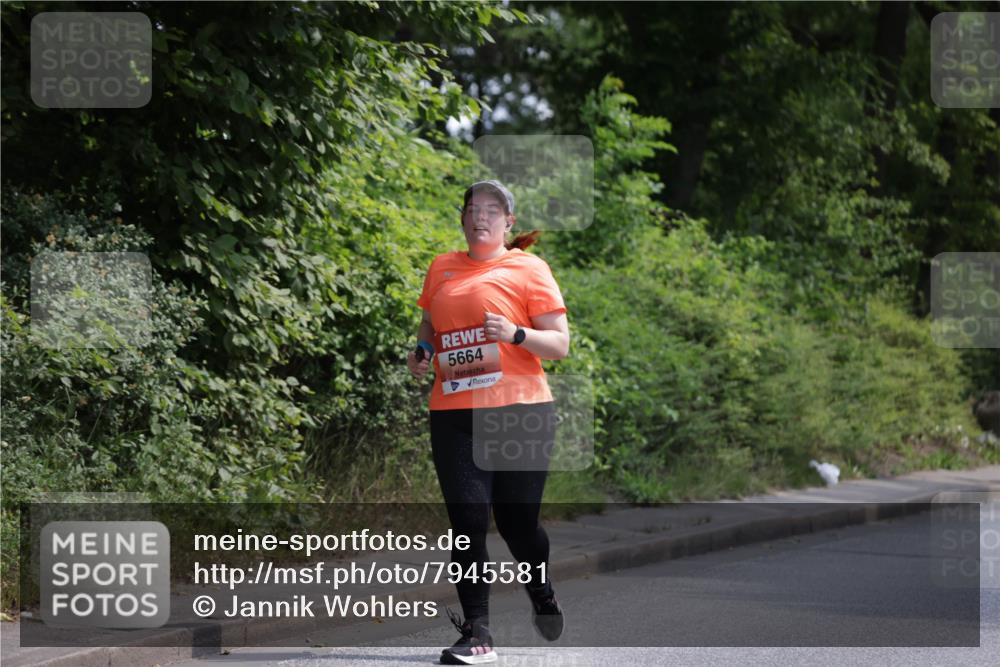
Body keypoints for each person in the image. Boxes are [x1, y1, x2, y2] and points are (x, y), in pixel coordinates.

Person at [407, 180, 570, 665]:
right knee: (467, 523)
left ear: (508, 222)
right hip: (455, 413)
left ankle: (540, 589)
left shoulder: (528, 268)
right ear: (463, 218)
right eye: (473, 209)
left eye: (492, 210)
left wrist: (516, 332)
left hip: (520, 412)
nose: (481, 217)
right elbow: (429, 326)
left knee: (518, 524)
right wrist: (422, 354)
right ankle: (477, 632)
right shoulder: (442, 266)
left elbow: (558, 344)